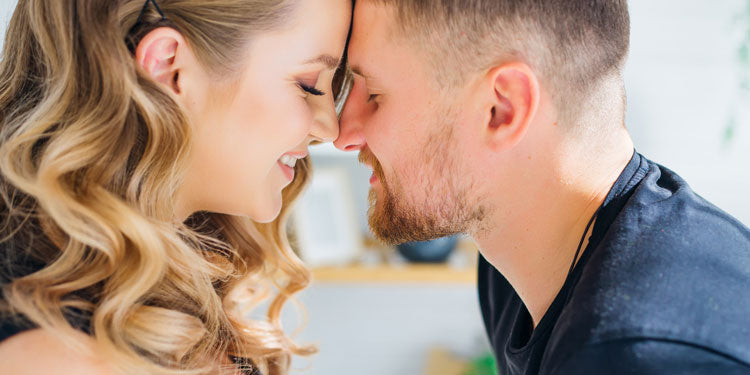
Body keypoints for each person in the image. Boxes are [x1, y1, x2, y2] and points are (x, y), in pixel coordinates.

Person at [334, 0, 750, 374]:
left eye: (373, 93)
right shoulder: (512, 273)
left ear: (502, 109)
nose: (343, 134)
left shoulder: (635, 355)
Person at [0, 0, 350, 374]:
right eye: (309, 85)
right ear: (169, 68)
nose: (330, 129)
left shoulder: (164, 286)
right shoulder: (52, 356)